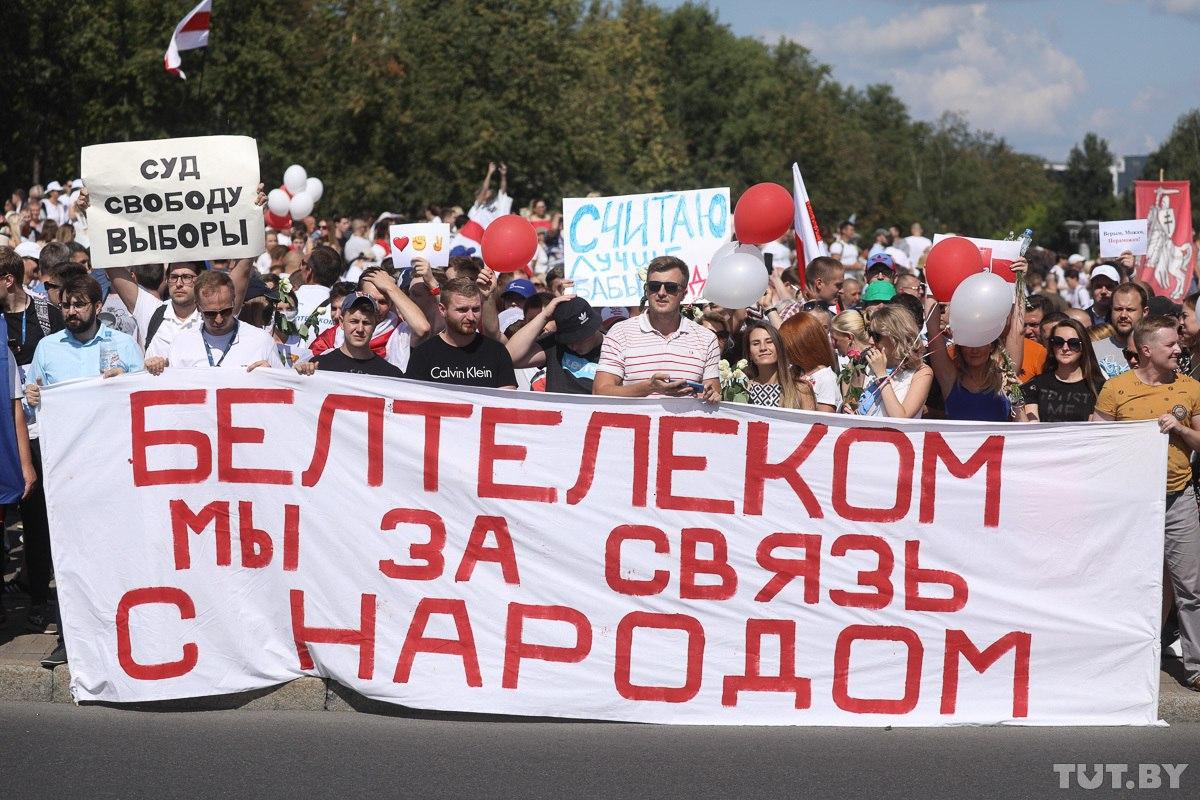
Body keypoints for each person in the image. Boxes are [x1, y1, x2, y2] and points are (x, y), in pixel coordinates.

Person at [23, 273, 142, 667]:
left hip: (115, 468)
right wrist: (33, 397)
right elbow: (29, 405)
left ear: (95, 306)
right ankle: (69, 638)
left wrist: (126, 382)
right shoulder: (47, 348)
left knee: (115, 552)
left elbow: (145, 398)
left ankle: (121, 633)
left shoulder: (123, 345)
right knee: (69, 555)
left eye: (79, 304)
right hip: (67, 472)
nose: (72, 311)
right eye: (66, 305)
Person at [1092, 316, 1200, 692]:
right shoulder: (1115, 389)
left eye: (1178, 343)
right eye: (1170, 345)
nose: (1178, 349)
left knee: (1190, 586)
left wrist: (1181, 428)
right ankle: (1117, 659)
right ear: (1146, 351)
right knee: (1122, 582)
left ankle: (1196, 666)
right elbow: (1098, 442)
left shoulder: (1191, 388)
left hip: (1177, 498)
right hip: (1130, 502)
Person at [593, 255, 720, 400]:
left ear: (684, 294)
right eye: (654, 286)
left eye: (671, 288)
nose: (661, 293)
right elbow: (599, 391)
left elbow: (713, 393)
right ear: (647, 290)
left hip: (686, 422)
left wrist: (711, 395)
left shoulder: (706, 339)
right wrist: (650, 387)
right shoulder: (620, 333)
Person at [928, 261, 1026, 421]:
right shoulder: (950, 378)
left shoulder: (1005, 377)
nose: (974, 350)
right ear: (960, 347)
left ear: (991, 345)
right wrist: (933, 279)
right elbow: (933, 328)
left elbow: (1017, 330)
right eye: (969, 344)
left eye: (981, 342)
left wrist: (1020, 282)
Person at [153, 271, 285, 372]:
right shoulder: (181, 343)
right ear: (198, 307)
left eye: (226, 311)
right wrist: (155, 370)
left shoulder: (261, 341)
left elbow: (285, 391)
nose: (219, 319)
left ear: (233, 301)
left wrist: (271, 375)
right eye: (210, 313)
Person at [406, 277, 516, 388]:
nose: (470, 317)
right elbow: (413, 401)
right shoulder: (423, 354)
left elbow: (507, 400)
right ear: (443, 310)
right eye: (462, 310)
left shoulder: (497, 352)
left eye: (476, 309)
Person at [505, 295, 604, 394]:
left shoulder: (613, 347)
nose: (573, 347)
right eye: (568, 341)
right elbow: (508, 357)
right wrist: (544, 316)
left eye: (578, 340)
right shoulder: (554, 344)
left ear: (592, 329)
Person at [296, 293, 404, 378]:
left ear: (375, 325)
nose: (360, 329)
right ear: (342, 323)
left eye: (366, 323)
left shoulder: (391, 374)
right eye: (354, 321)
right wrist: (301, 373)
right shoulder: (320, 365)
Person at [854, 304, 933, 418]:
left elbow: (901, 418)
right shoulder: (868, 365)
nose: (871, 341)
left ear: (895, 338)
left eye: (876, 336)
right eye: (870, 333)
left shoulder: (922, 372)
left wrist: (881, 376)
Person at [1021, 317, 1105, 422]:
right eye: (1058, 342)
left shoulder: (1099, 387)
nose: (1065, 348)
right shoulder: (1036, 384)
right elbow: (1031, 426)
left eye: (1073, 343)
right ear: (1052, 346)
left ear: (1084, 346)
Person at [739, 322, 814, 409]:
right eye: (756, 343)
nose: (763, 348)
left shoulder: (801, 389)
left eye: (769, 342)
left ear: (779, 348)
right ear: (749, 354)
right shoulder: (742, 389)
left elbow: (811, 422)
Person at [778, 311, 840, 412]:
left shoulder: (825, 378)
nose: (783, 349)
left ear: (802, 345)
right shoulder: (793, 371)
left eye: (786, 345)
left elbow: (823, 422)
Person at [1092, 282, 1147, 379]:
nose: (1123, 315)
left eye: (1130, 310)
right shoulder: (1092, 350)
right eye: (1118, 309)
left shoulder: (1156, 351)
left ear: (1145, 312)